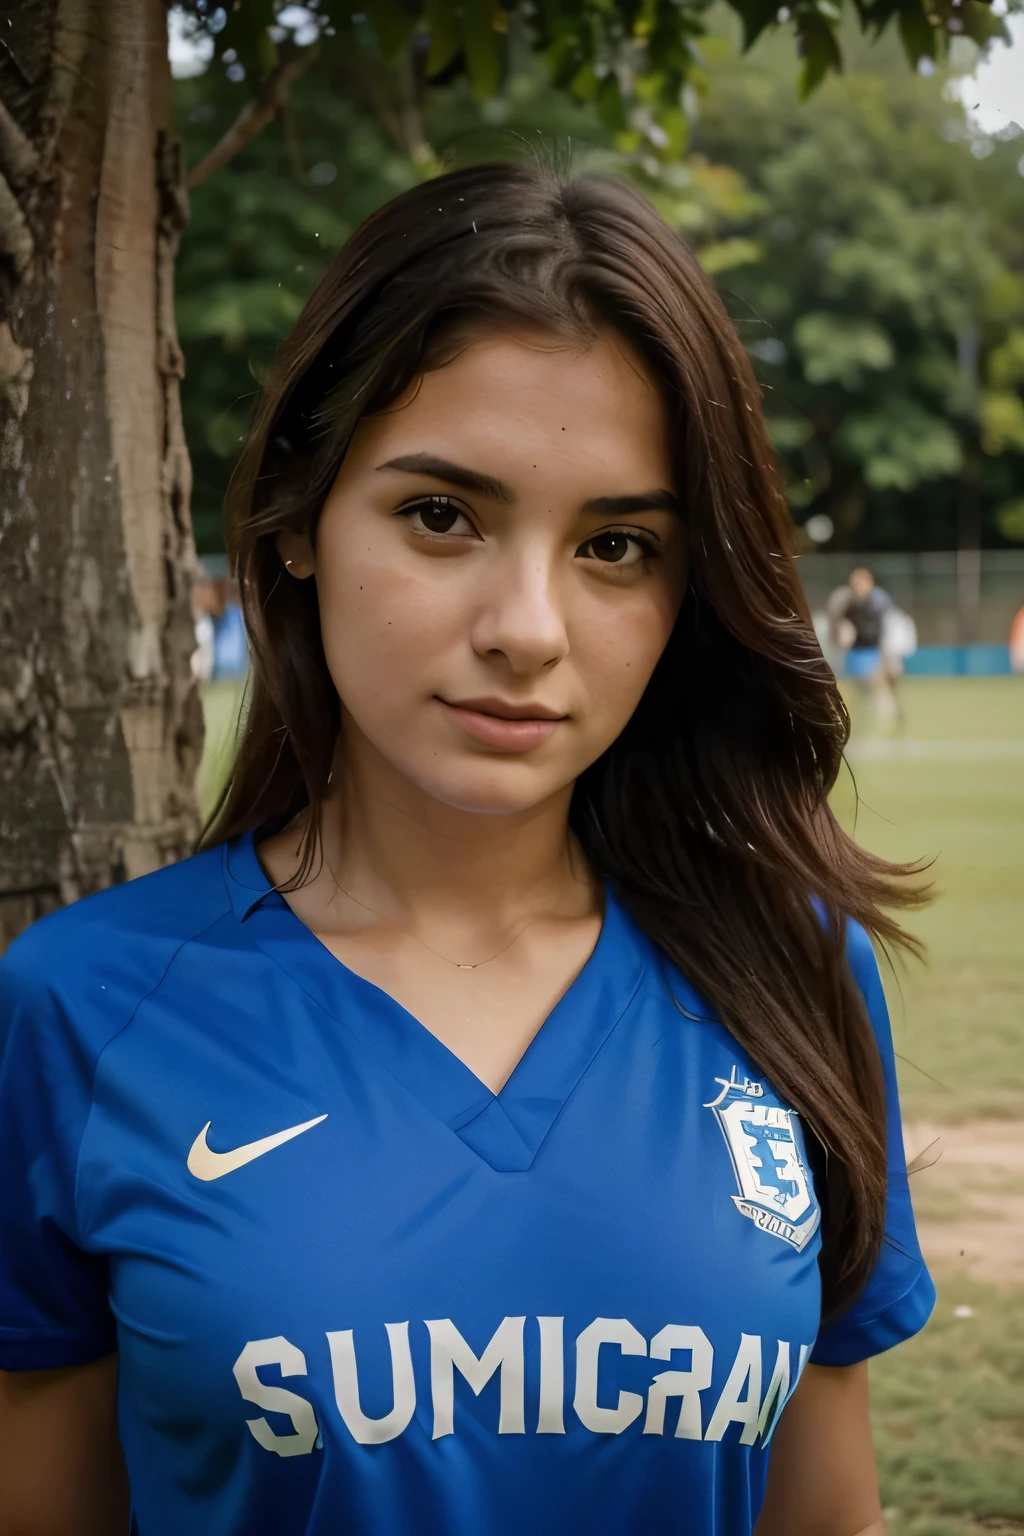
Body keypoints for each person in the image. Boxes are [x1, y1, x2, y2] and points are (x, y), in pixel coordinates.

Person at [0, 161, 934, 1536]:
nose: (529, 627)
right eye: (443, 516)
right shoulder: (81, 1008)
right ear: (300, 521)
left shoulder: (794, 974)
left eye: (616, 545)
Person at [826, 568, 906, 724]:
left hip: (874, 650)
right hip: (854, 651)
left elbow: (888, 627)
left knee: (879, 686)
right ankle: (850, 718)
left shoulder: (879, 601)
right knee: (851, 689)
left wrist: (887, 652)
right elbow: (837, 624)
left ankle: (887, 718)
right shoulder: (846, 600)